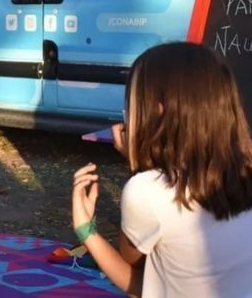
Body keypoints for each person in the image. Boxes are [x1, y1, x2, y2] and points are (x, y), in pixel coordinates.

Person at [71, 42, 252, 297]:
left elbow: (136, 278)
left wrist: (86, 230)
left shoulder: (146, 191)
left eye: (132, 108)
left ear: (158, 112)